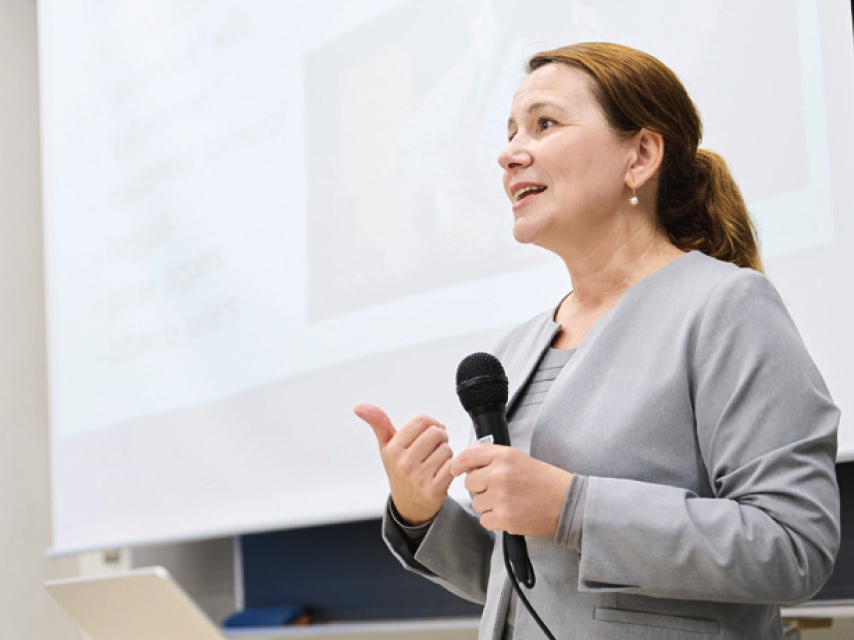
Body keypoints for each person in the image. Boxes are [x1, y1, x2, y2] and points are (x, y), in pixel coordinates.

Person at [355, 42, 840, 640]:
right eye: (509, 132)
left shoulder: (726, 306)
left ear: (640, 156)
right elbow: (532, 584)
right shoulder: (515, 350)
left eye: (545, 124)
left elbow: (794, 546)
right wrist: (421, 512)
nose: (509, 153)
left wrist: (573, 508)